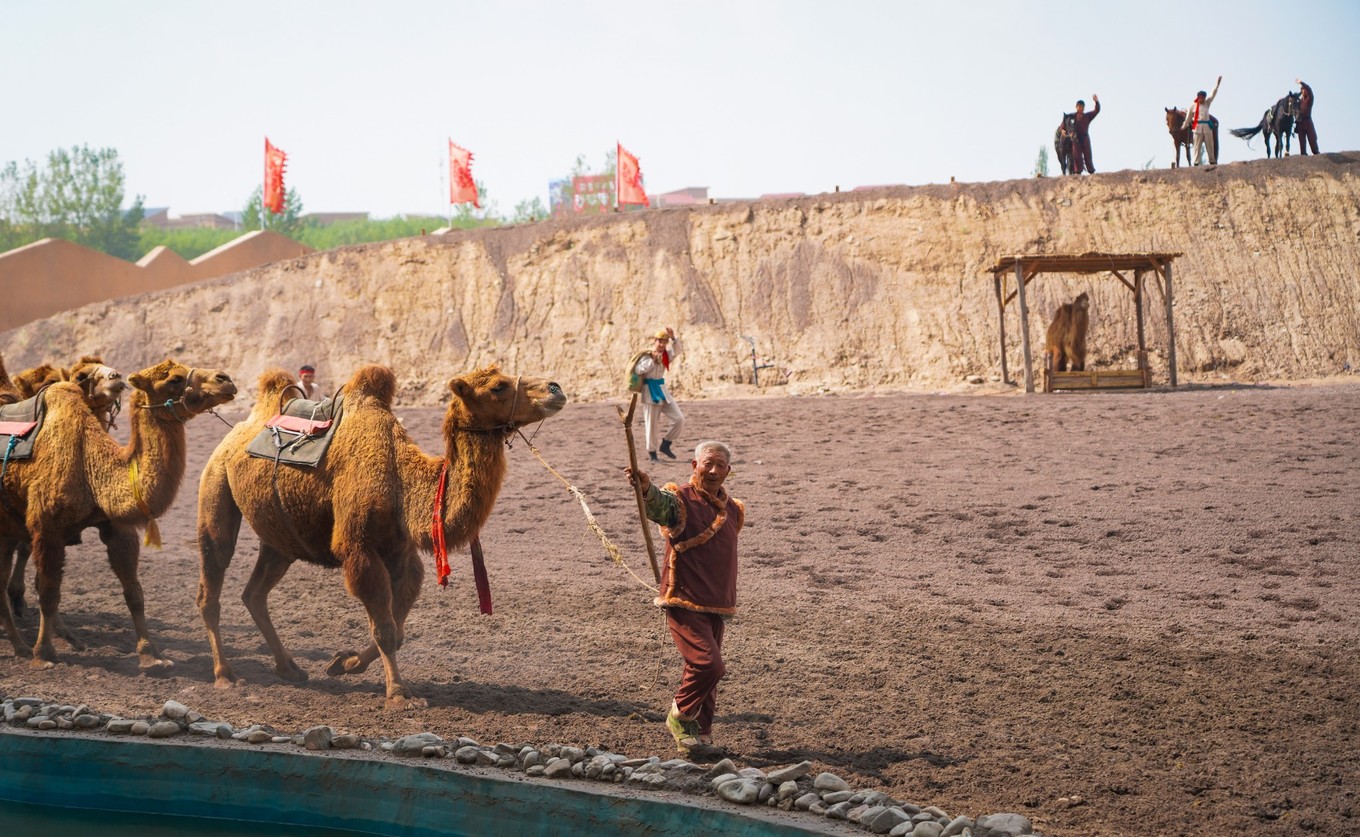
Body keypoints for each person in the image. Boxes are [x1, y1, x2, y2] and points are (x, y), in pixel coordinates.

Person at [626, 441, 744, 755]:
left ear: (728, 471)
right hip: (683, 598)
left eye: (721, 465)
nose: (714, 470)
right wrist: (647, 489)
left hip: (717, 604)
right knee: (709, 665)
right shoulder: (680, 500)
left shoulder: (733, 509)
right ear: (695, 465)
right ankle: (680, 717)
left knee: (702, 672)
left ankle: (700, 736)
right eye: (708, 463)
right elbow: (659, 506)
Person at [633, 327, 685, 462]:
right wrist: (652, 360)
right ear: (655, 341)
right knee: (651, 424)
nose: (662, 344)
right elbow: (639, 370)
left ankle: (666, 443)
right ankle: (652, 452)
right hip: (649, 391)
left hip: (662, 390)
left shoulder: (666, 355)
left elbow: (678, 350)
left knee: (679, 418)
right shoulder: (646, 355)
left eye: (664, 342)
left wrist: (673, 338)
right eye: (659, 341)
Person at [1181, 76, 1222, 165]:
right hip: (1197, 127)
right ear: (1198, 98)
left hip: (1207, 127)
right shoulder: (1193, 106)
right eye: (1200, 97)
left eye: (1203, 97)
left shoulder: (1207, 103)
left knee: (1210, 145)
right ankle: (1196, 163)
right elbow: (1188, 118)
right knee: (1196, 147)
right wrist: (1184, 126)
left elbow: (1213, 93)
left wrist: (1217, 84)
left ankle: (1212, 161)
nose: (1202, 99)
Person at [1069, 96, 1100, 174]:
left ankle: (1091, 170)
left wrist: (1096, 102)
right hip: (1076, 138)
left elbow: (1096, 111)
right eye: (1079, 106)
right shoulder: (1072, 117)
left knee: (1088, 155)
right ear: (1076, 107)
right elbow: (1066, 124)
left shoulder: (1087, 116)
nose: (1081, 108)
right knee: (1077, 156)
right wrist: (1066, 132)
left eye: (1082, 107)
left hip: (1085, 137)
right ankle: (1078, 171)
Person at [1295, 78, 1318, 156]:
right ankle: (1303, 154)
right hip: (1300, 123)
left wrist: (1301, 82)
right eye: (1302, 90)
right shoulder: (1299, 102)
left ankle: (1316, 153)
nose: (1303, 91)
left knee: (1312, 139)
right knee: (1302, 142)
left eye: (1304, 90)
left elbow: (1310, 91)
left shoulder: (1309, 99)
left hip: (1308, 122)